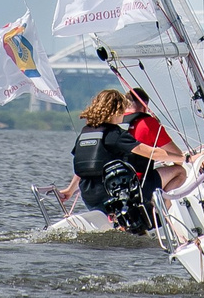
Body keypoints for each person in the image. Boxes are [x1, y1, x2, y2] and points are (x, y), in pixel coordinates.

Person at [65, 88, 174, 231]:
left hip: (90, 196)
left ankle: (119, 221)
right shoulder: (115, 133)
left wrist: (69, 190)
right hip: (111, 195)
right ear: (115, 110)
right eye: (122, 109)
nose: (124, 113)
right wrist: (186, 158)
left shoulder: (86, 133)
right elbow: (153, 153)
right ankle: (157, 218)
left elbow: (84, 166)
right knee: (179, 172)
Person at [125, 87, 188, 192]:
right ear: (145, 106)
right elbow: (178, 158)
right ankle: (161, 207)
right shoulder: (148, 123)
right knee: (180, 172)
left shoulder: (116, 122)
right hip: (139, 183)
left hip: (116, 183)